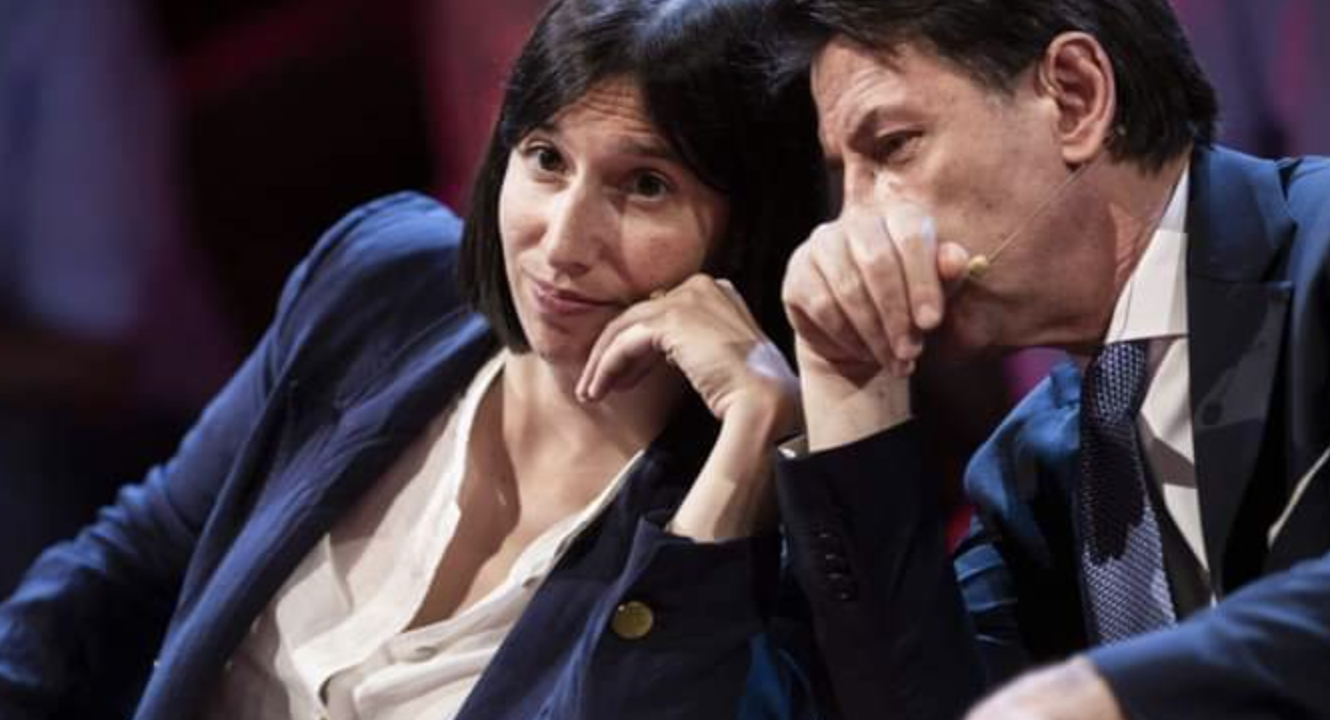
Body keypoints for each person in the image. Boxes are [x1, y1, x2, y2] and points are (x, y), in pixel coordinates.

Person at [0, 0, 847, 717]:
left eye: (646, 186)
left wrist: (747, 449)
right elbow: (132, 563)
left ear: (751, 226)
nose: (562, 243)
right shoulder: (384, 283)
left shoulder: (757, 523)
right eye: (547, 159)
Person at [774, 0, 1330, 718]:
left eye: (894, 147)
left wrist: (1119, 692)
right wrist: (847, 382)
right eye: (842, 177)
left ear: (1075, 97)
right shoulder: (1028, 467)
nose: (857, 226)